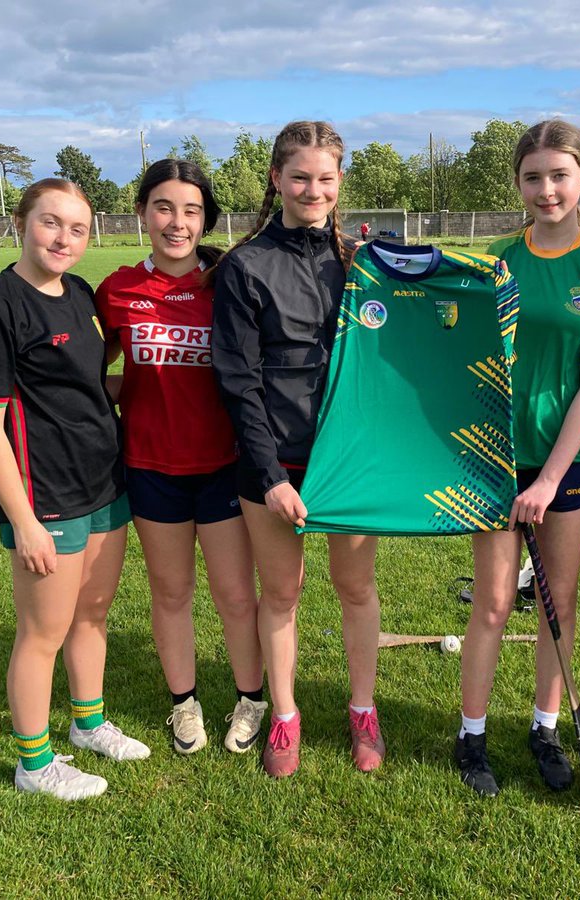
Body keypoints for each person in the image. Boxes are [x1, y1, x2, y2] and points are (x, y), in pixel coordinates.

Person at [0, 178, 149, 801]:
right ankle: (33, 764)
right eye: (50, 222)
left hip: (106, 485)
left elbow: (91, 389)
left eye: (77, 228)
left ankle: (88, 723)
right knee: (43, 633)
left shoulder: (82, 294)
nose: (64, 238)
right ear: (21, 222)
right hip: (47, 498)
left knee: (93, 614)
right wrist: (26, 520)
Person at [454, 120, 580, 797]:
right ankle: (470, 737)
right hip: (495, 459)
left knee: (558, 600)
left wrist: (551, 478)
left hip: (569, 463)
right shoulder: (496, 258)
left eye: (560, 175)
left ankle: (544, 729)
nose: (546, 189)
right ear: (518, 184)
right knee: (494, 603)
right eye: (533, 177)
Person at [211, 121, 384, 778]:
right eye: (301, 177)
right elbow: (237, 380)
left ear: (340, 184)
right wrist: (270, 477)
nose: (314, 189)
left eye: (326, 179)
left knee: (356, 587)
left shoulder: (362, 264)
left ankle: (363, 709)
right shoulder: (245, 266)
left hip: (349, 464)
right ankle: (284, 714)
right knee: (280, 594)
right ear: (278, 180)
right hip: (274, 465)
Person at [95, 160, 263, 757]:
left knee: (236, 594)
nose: (177, 222)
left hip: (222, 466)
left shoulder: (228, 283)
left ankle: (251, 698)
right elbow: (96, 372)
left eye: (191, 211)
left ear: (206, 220)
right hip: (149, 467)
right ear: (142, 212)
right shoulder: (117, 290)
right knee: (170, 593)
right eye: (164, 207)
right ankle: (183, 703)